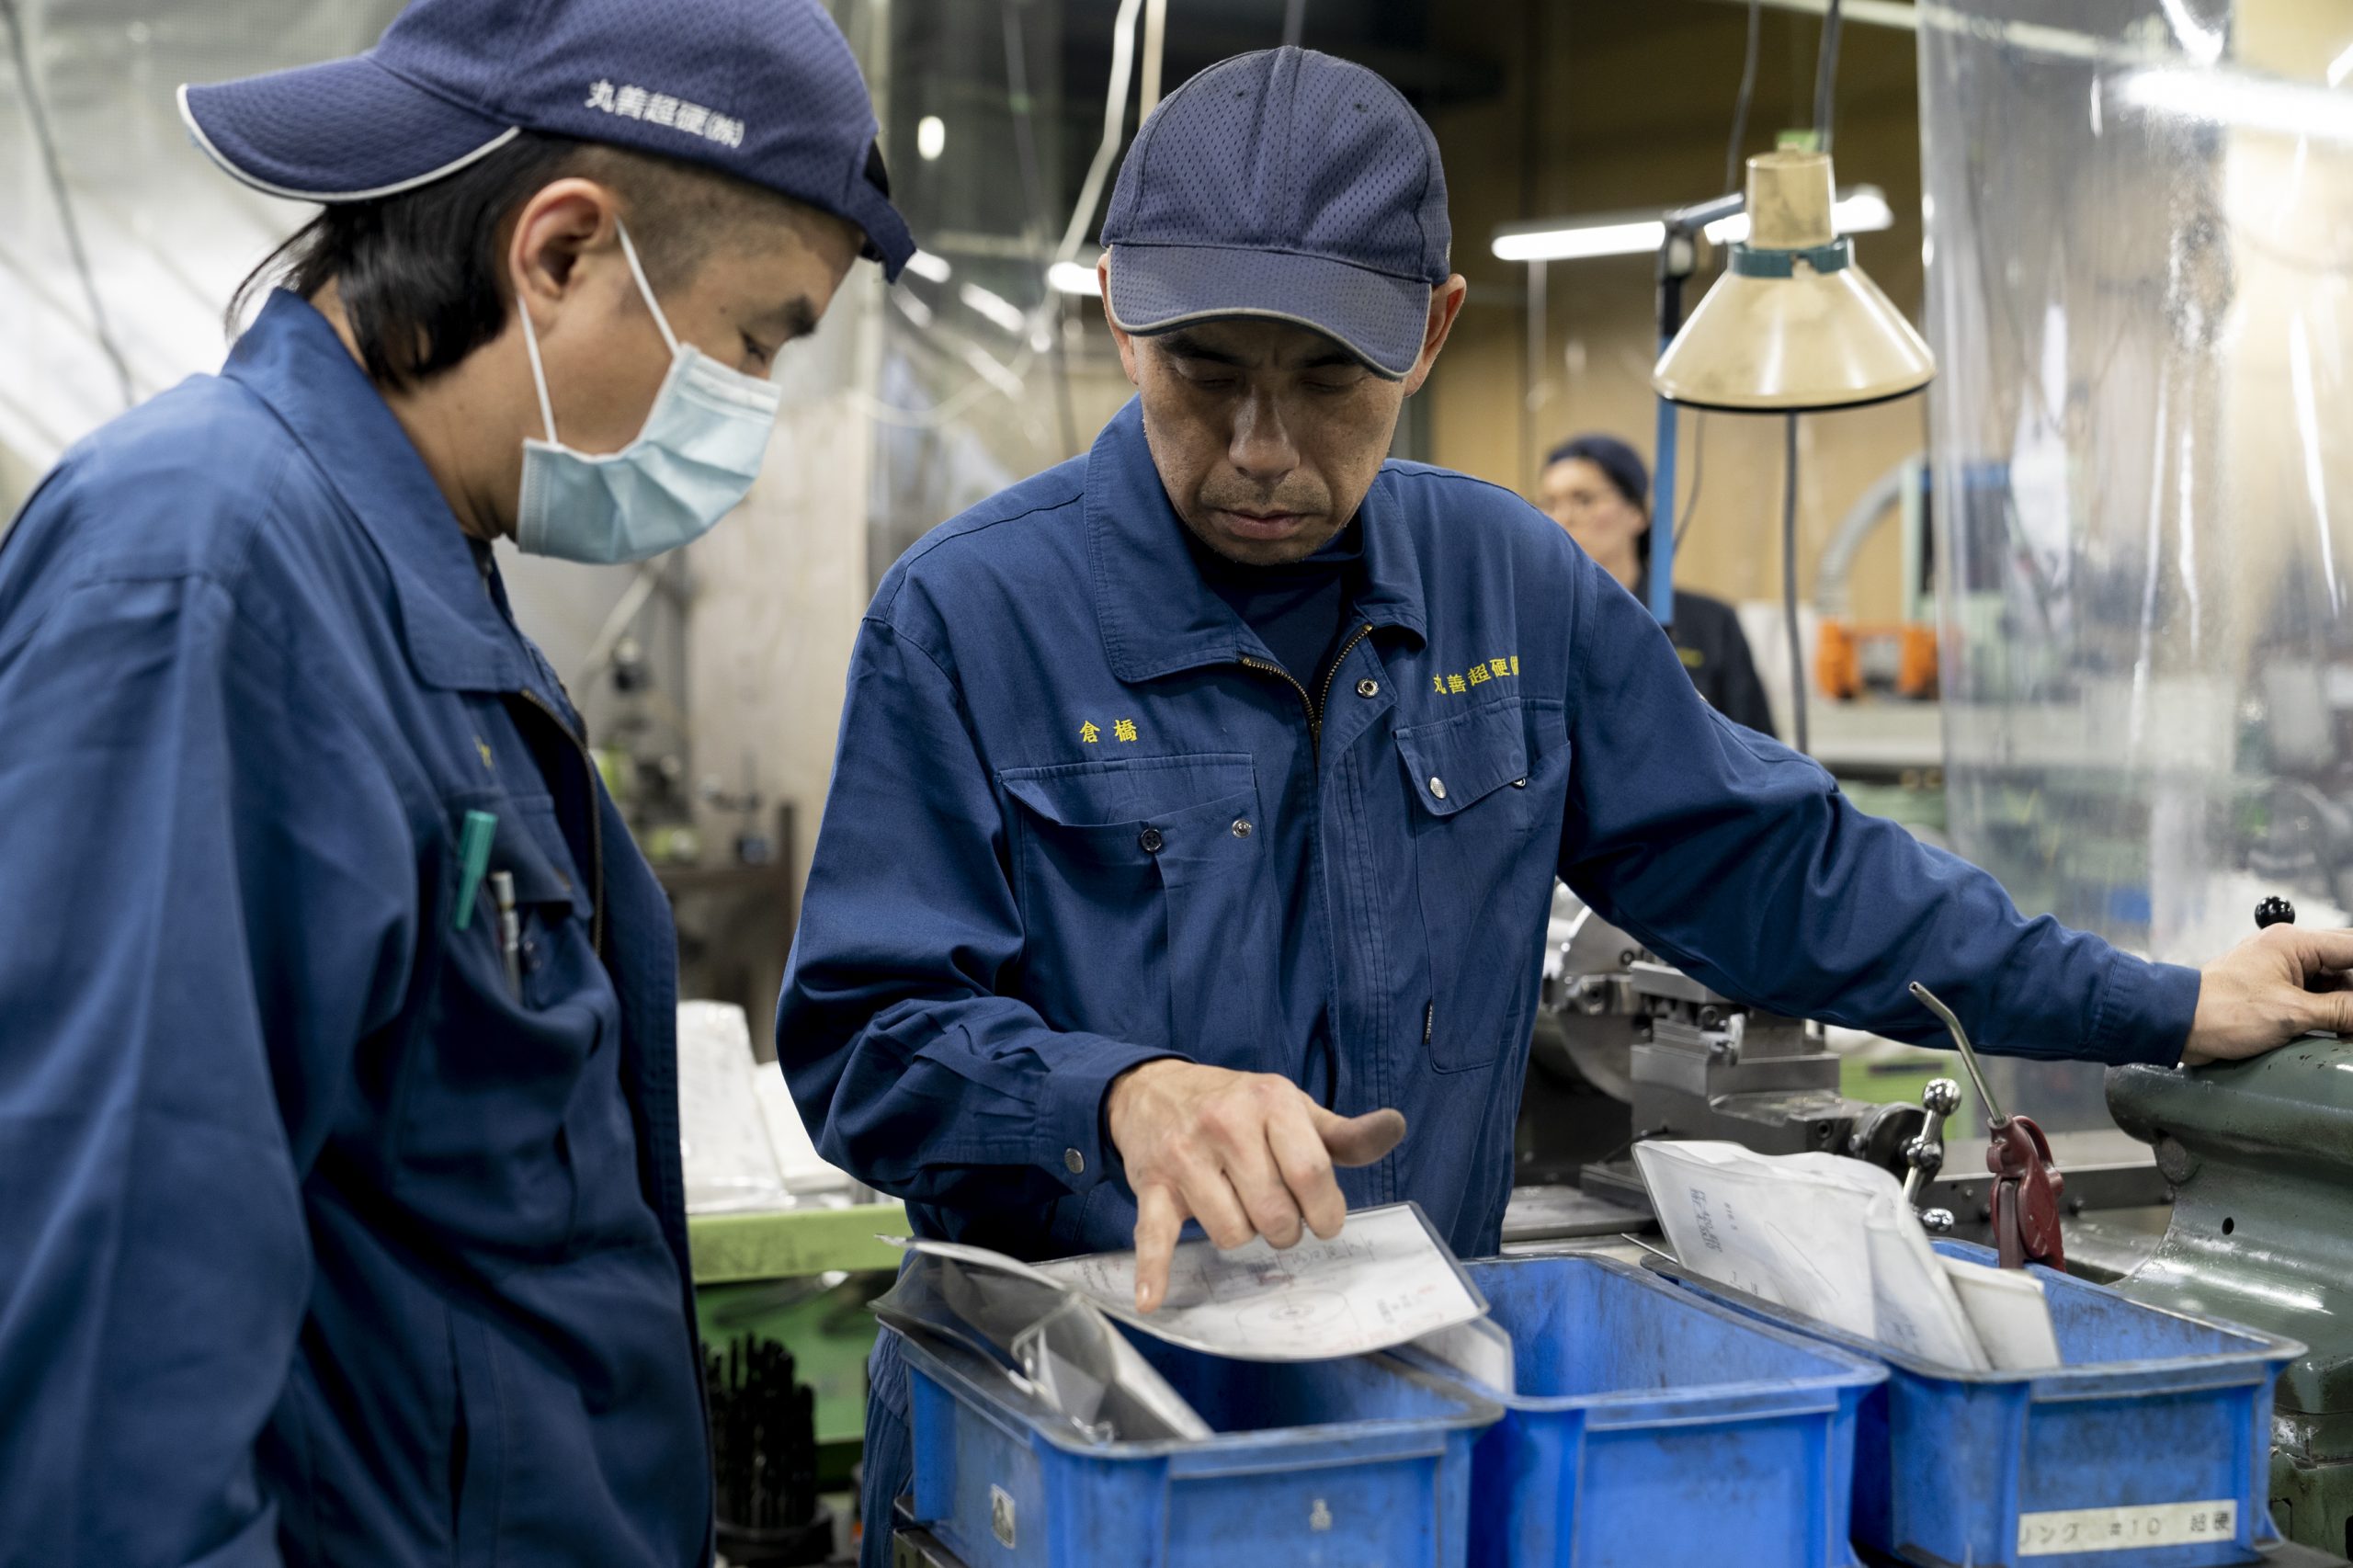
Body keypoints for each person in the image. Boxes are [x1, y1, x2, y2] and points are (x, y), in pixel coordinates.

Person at [773, 47, 2352, 1562]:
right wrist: (1113, 1094)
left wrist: (2164, 1002)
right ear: (1121, 310)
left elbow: (1790, 872)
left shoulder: (1510, 592)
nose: (1260, 448)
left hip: (1405, 1428)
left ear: (1433, 330)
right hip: (1059, 1449)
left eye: (1329, 379)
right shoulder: (970, 620)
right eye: (1207, 373)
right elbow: (862, 1040)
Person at [0, 1, 912, 1562]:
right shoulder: (208, 569)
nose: (754, 409)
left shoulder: (412, 575)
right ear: (559, 252)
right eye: (758, 340)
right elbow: (111, 1385)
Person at [1538, 432, 1776, 733]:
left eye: (1584, 500)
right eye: (1549, 504)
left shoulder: (1710, 624)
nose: (1562, 518)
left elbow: (1757, 745)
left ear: (1637, 512)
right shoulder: (1532, 621)